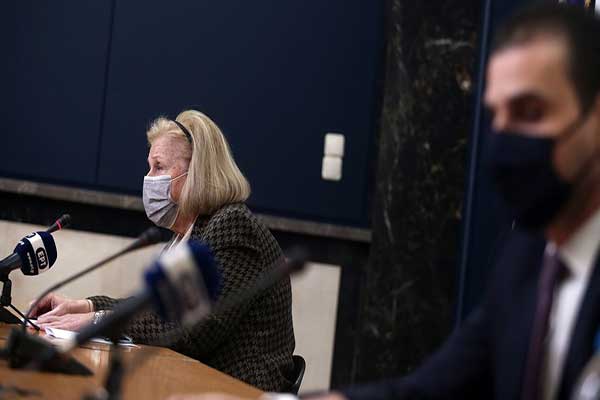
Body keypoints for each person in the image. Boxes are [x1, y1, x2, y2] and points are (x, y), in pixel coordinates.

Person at [171, 4, 600, 400]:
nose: (504, 139)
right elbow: (428, 390)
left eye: (530, 111)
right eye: (497, 117)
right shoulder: (528, 256)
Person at [29, 110, 296, 392]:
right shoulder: (191, 233)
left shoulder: (233, 226)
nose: (148, 178)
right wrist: (87, 306)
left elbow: (190, 331)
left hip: (239, 389)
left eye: (158, 167)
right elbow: (152, 309)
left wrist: (97, 321)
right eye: (149, 167)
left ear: (196, 172)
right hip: (196, 382)